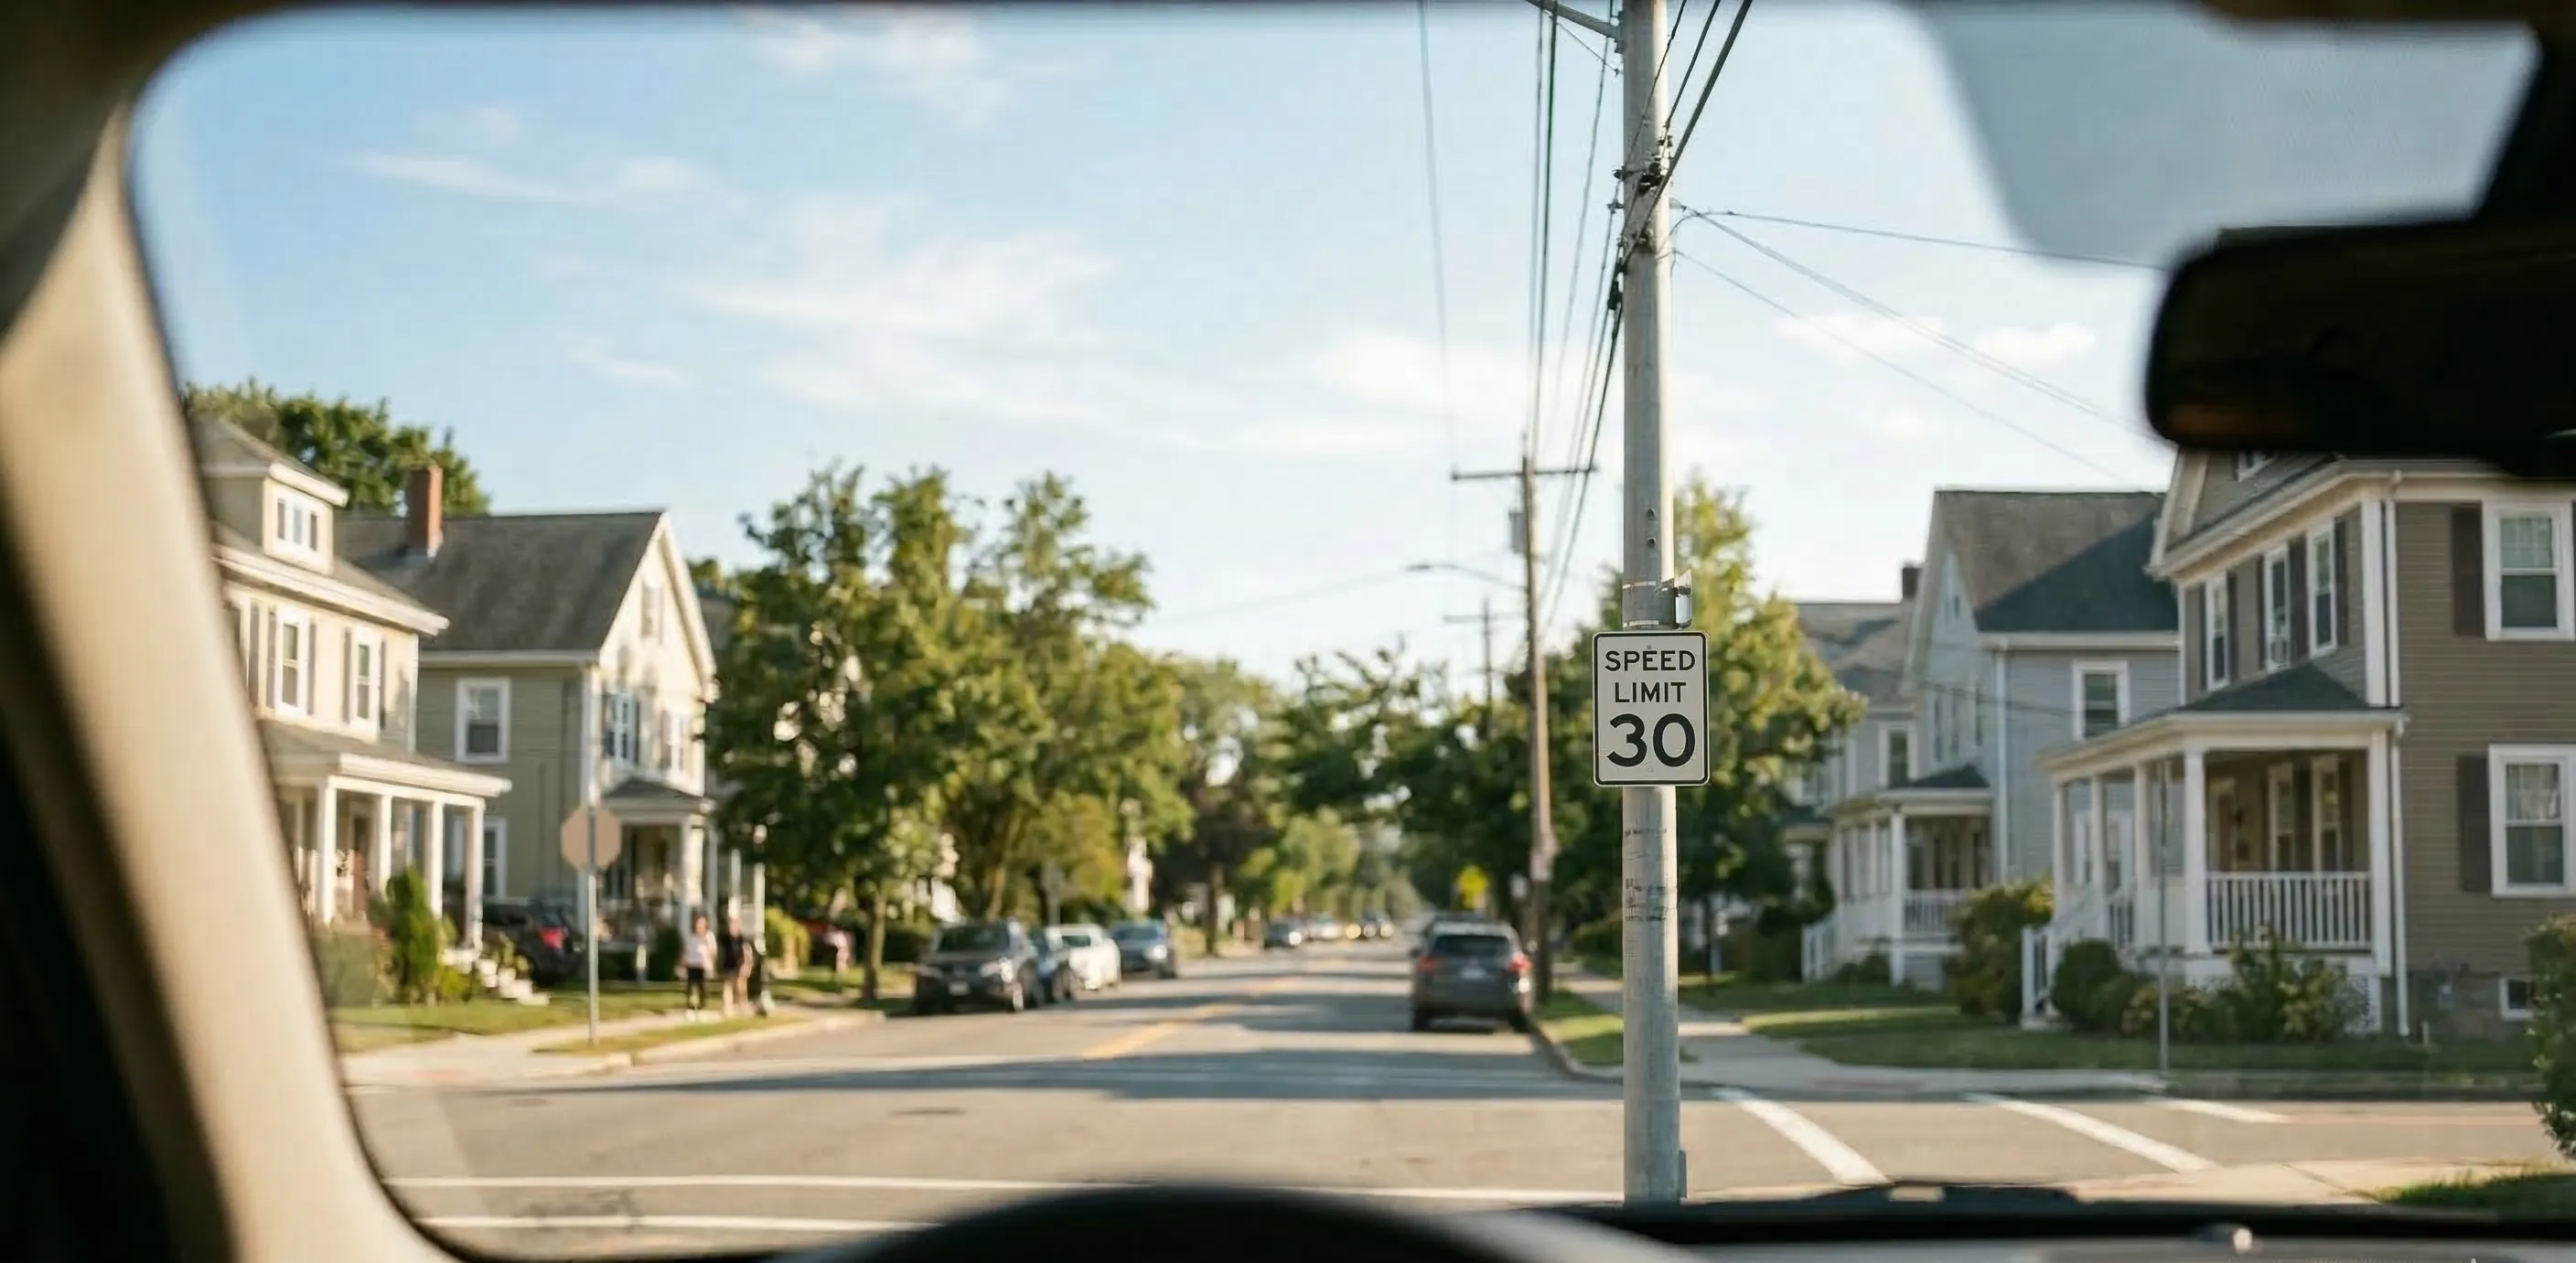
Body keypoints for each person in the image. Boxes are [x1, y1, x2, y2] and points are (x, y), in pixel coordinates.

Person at [680, 913, 714, 1022]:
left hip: (703, 965)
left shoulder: (709, 936)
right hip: (692, 964)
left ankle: (700, 1008)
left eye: (702, 923)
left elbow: (713, 951)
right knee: (690, 987)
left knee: (702, 988)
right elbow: (686, 951)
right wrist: (683, 963)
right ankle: (690, 1008)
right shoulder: (692, 936)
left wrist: (709, 958)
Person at [717, 913, 751, 1018]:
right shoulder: (725, 939)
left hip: (740, 966)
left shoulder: (742, 939)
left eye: (736, 925)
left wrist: (747, 965)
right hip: (728, 966)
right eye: (732, 925)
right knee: (728, 988)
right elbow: (720, 953)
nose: (734, 927)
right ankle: (728, 1008)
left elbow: (747, 952)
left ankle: (743, 1006)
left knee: (741, 989)